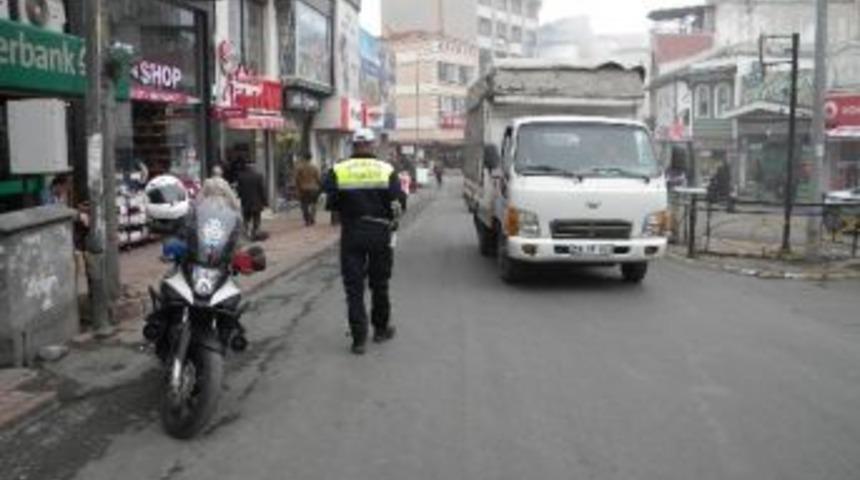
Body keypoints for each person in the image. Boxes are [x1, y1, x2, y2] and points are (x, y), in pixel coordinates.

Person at [324, 129, 407, 355]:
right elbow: (398, 203)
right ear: (372, 145)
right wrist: (392, 221)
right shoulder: (386, 169)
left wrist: (348, 207)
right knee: (380, 283)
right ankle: (380, 330)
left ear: (353, 145)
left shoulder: (338, 169)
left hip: (352, 232)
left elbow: (329, 202)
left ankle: (358, 340)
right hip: (380, 232)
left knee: (354, 287)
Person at [235, 157, 267, 240]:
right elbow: (261, 190)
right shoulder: (258, 176)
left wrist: (240, 197)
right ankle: (255, 233)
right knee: (256, 219)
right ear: (253, 167)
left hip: (246, 202)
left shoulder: (241, 176)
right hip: (256, 202)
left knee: (246, 219)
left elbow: (239, 190)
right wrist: (265, 202)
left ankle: (246, 233)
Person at [293, 152, 322, 226]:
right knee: (314, 204)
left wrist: (297, 188)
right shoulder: (314, 167)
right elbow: (318, 179)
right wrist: (320, 187)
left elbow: (296, 179)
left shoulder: (299, 168)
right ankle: (312, 218)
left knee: (304, 204)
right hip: (314, 188)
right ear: (310, 158)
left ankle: (307, 219)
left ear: (303, 158)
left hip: (303, 188)